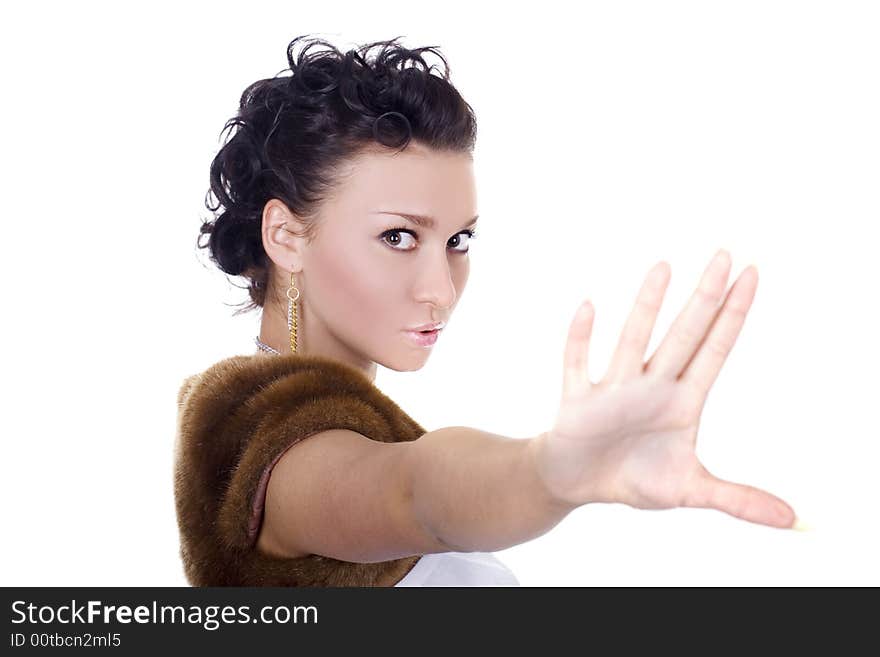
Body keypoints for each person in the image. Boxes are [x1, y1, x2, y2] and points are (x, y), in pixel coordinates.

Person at [173, 34, 798, 587]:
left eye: (458, 241)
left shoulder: (343, 425)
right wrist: (546, 473)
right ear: (285, 236)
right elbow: (417, 492)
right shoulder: (261, 446)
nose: (441, 290)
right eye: (398, 236)